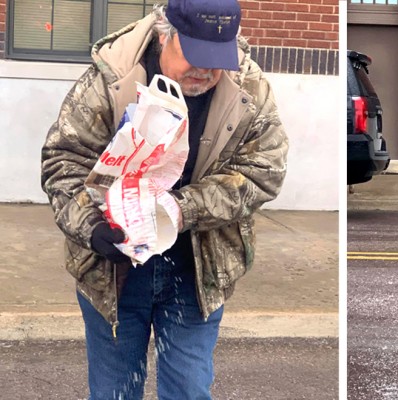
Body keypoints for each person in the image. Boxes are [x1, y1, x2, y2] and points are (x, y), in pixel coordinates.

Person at [40, 0, 288, 398]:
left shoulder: (249, 86)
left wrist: (181, 208)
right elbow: (63, 160)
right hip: (113, 269)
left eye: (216, 58)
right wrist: (91, 227)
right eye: (194, 56)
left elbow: (264, 170)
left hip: (198, 264)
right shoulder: (111, 76)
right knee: (113, 391)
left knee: (189, 389)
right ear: (162, 33)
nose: (206, 72)